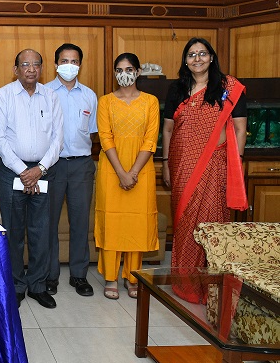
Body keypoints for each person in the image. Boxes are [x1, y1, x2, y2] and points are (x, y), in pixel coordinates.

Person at [161, 38, 247, 303]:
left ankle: (212, 286)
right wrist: (165, 163)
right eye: (191, 54)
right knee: (184, 221)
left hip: (216, 166)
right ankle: (185, 284)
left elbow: (240, 128)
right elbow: (167, 130)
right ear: (185, 60)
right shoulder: (177, 89)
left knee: (211, 223)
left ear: (211, 57)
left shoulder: (228, 88)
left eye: (202, 53)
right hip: (181, 164)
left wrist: (236, 164)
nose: (197, 58)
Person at [0, 49, 62, 309]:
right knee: (13, 231)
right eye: (25, 64)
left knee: (41, 231)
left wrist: (39, 169)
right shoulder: (3, 96)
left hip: (44, 170)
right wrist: (24, 171)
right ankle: (15, 285)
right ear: (16, 69)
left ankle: (38, 286)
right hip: (12, 171)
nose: (31, 69)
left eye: (36, 64)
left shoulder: (51, 96)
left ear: (42, 68)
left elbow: (58, 139)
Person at [95, 53, 159, 300]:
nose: (124, 74)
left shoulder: (151, 101)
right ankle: (110, 277)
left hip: (141, 170)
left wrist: (132, 173)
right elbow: (105, 137)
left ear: (138, 72)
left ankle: (133, 277)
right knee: (112, 223)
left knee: (136, 224)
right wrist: (122, 173)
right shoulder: (106, 102)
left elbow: (151, 139)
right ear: (114, 73)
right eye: (119, 70)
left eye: (129, 69)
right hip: (112, 170)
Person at [44, 43, 97, 298]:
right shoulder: (44, 93)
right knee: (48, 222)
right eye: (64, 61)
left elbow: (93, 132)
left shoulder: (89, 95)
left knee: (80, 221)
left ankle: (79, 275)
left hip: (81, 165)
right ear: (56, 64)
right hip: (51, 165)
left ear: (80, 65)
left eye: (74, 61)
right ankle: (50, 276)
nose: (69, 65)